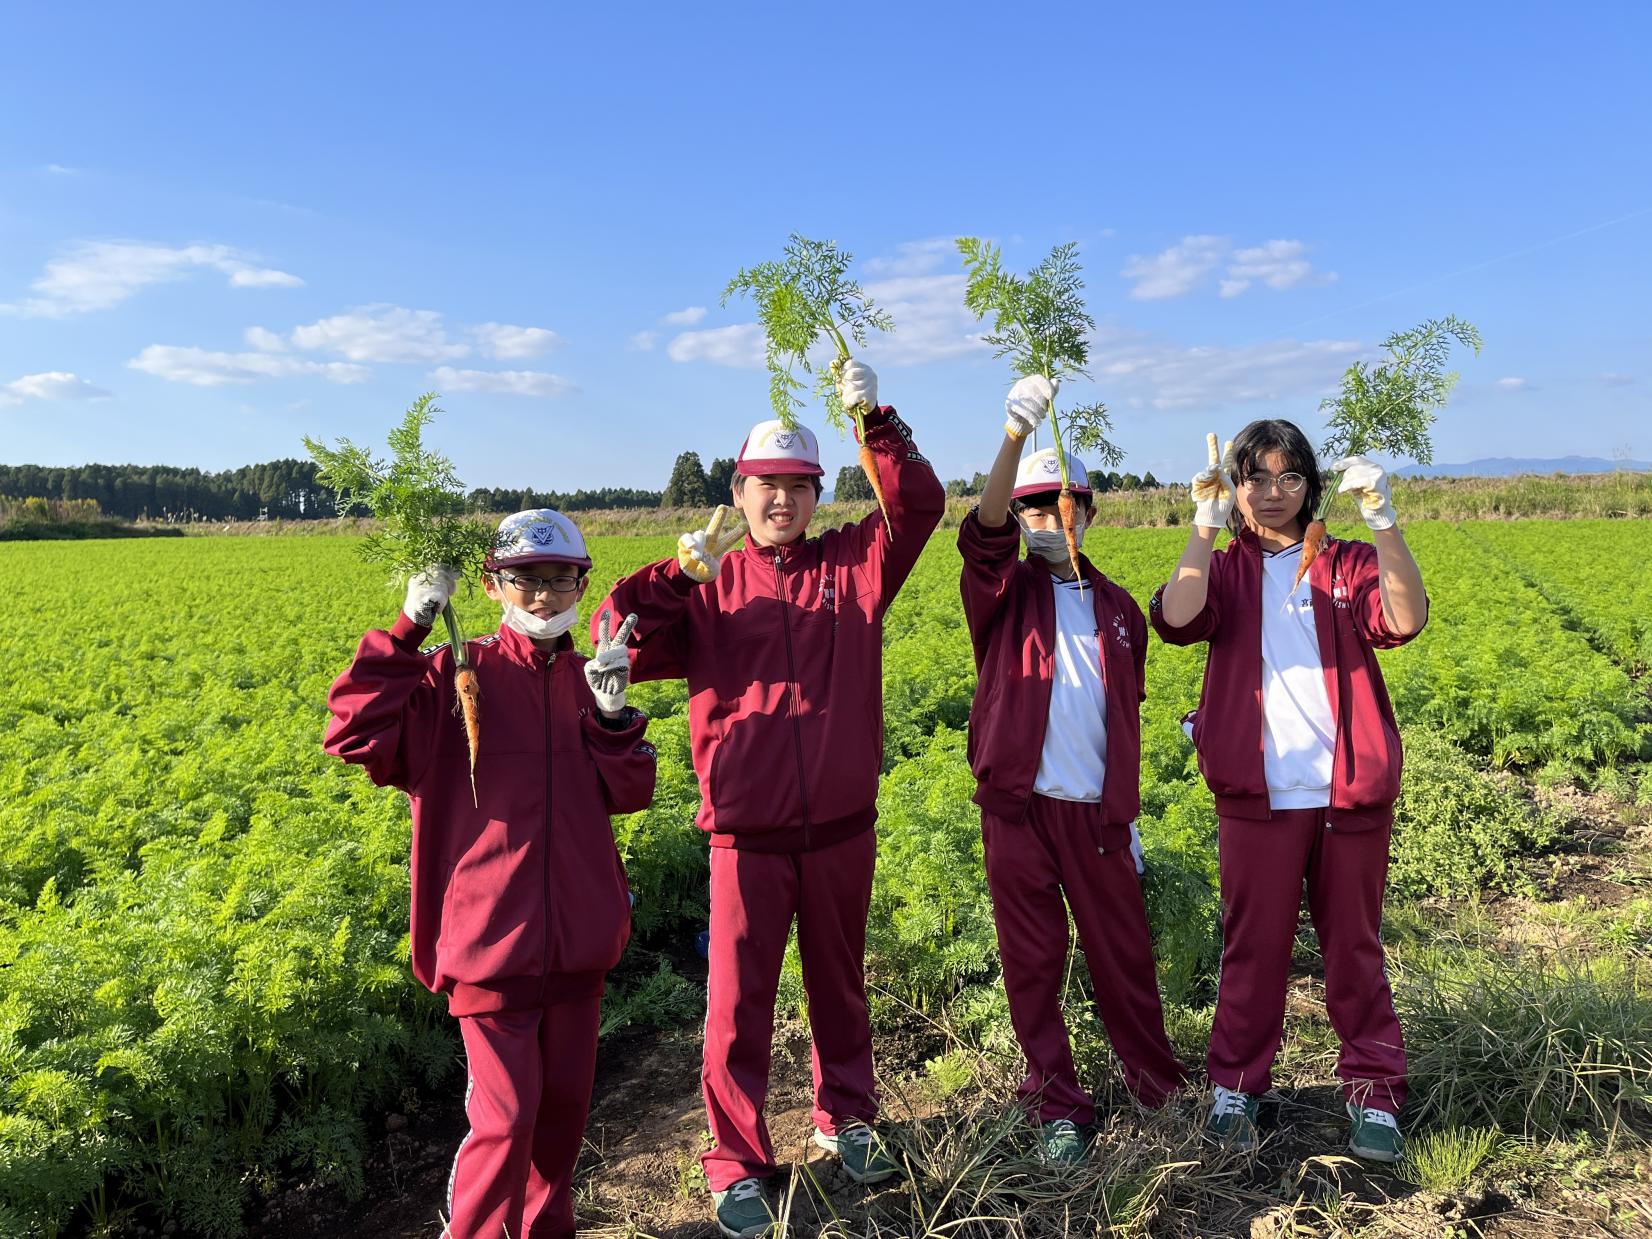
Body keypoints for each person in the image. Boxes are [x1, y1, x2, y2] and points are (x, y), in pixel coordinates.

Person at [591, 361, 945, 1239]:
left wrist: (874, 418)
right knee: (737, 1001)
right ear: (738, 492)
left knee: (840, 985)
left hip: (840, 826)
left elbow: (921, 507)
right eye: (764, 486)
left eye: (797, 486)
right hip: (744, 834)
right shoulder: (711, 584)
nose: (780, 501)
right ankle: (737, 1160)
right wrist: (674, 577)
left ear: (819, 493)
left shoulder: (855, 566)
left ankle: (847, 1119)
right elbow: (614, 634)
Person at [324, 509, 656, 1238]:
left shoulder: (587, 676)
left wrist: (611, 717)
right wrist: (409, 630)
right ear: (492, 584)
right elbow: (351, 732)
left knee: (561, 1123)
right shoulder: (454, 674)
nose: (543, 596)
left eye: (558, 579)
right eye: (525, 580)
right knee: (505, 1122)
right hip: (489, 953)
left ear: (581, 582)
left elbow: (630, 794)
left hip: (576, 952)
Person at [1150, 422, 1426, 1162]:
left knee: (1355, 948)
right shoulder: (1229, 569)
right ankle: (1237, 1086)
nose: (1272, 494)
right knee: (1253, 947)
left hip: (1347, 794)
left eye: (1289, 478)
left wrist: (1385, 521)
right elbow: (1176, 618)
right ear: (1235, 487)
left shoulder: (1345, 563)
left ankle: (1374, 1091)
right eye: (1256, 479)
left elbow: (1403, 617)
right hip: (1258, 795)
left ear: (1309, 484)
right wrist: (1203, 529)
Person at [957, 377, 1189, 1164]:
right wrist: (1015, 435)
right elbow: (982, 533)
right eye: (1036, 507)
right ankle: (1057, 1099)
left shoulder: (1121, 609)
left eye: (1068, 505)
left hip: (1096, 815)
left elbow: (1122, 717)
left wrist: (1125, 815)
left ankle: (1158, 1086)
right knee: (1033, 962)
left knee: (1124, 956)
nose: (1053, 519)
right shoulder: (1001, 591)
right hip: (1018, 811)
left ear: (1091, 513)